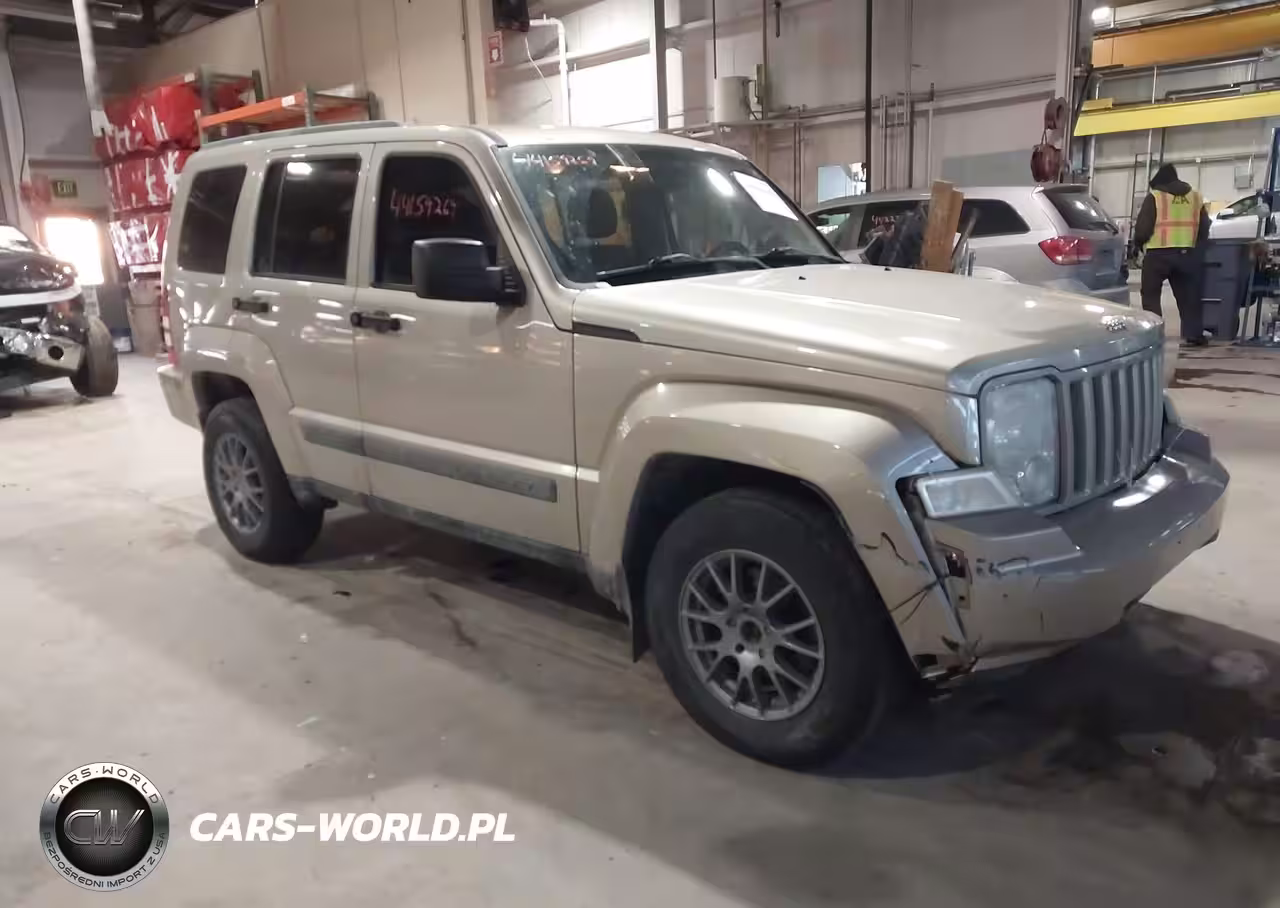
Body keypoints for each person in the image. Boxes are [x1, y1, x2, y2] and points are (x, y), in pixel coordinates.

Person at [1133, 163, 1212, 347]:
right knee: (1189, 297)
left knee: (1151, 295)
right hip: (1186, 254)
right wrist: (1195, 246)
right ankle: (1193, 335)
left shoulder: (1155, 197)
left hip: (1157, 255)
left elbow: (1143, 229)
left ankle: (1154, 334)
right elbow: (1205, 227)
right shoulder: (1195, 197)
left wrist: (1137, 245)